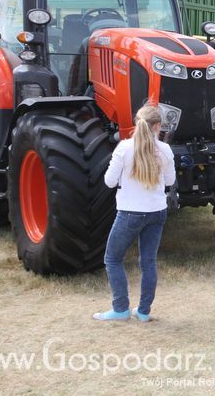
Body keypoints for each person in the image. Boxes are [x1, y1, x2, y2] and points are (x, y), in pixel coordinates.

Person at [94, 104, 176, 322]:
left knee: (112, 259)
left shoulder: (123, 148)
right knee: (148, 262)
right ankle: (143, 312)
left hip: (130, 213)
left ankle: (120, 308)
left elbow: (109, 182)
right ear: (157, 126)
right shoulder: (165, 150)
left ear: (137, 122)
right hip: (157, 211)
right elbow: (170, 181)